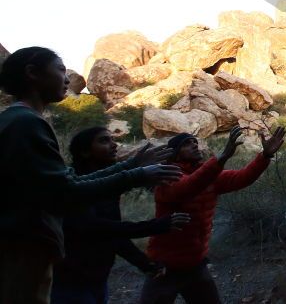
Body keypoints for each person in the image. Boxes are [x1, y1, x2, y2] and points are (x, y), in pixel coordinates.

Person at [0, 46, 183, 304]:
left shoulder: (17, 120)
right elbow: (66, 194)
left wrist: (132, 168)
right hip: (24, 250)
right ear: (32, 73)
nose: (67, 79)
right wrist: (137, 175)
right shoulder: (26, 123)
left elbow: (67, 183)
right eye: (60, 70)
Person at [139, 124, 286, 304]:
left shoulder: (209, 176)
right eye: (187, 144)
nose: (195, 145)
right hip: (165, 266)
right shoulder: (166, 176)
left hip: (195, 264)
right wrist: (222, 157)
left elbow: (242, 177)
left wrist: (265, 156)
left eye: (195, 142)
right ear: (175, 153)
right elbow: (188, 187)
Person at [51, 127, 193, 304]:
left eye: (112, 139)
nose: (114, 145)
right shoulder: (77, 188)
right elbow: (98, 228)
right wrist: (155, 226)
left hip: (96, 279)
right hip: (70, 282)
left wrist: (144, 263)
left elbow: (113, 235)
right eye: (104, 141)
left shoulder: (109, 187)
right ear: (85, 152)